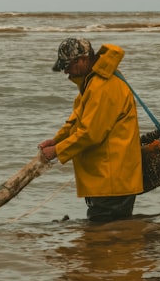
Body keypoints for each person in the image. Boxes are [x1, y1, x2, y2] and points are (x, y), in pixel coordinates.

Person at [38, 37, 144, 222]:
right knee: (109, 235)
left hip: (112, 180)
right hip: (105, 178)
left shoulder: (103, 86)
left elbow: (90, 134)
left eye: (67, 66)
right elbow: (78, 119)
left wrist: (56, 151)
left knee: (106, 238)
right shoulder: (93, 81)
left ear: (82, 60)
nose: (65, 72)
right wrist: (57, 140)